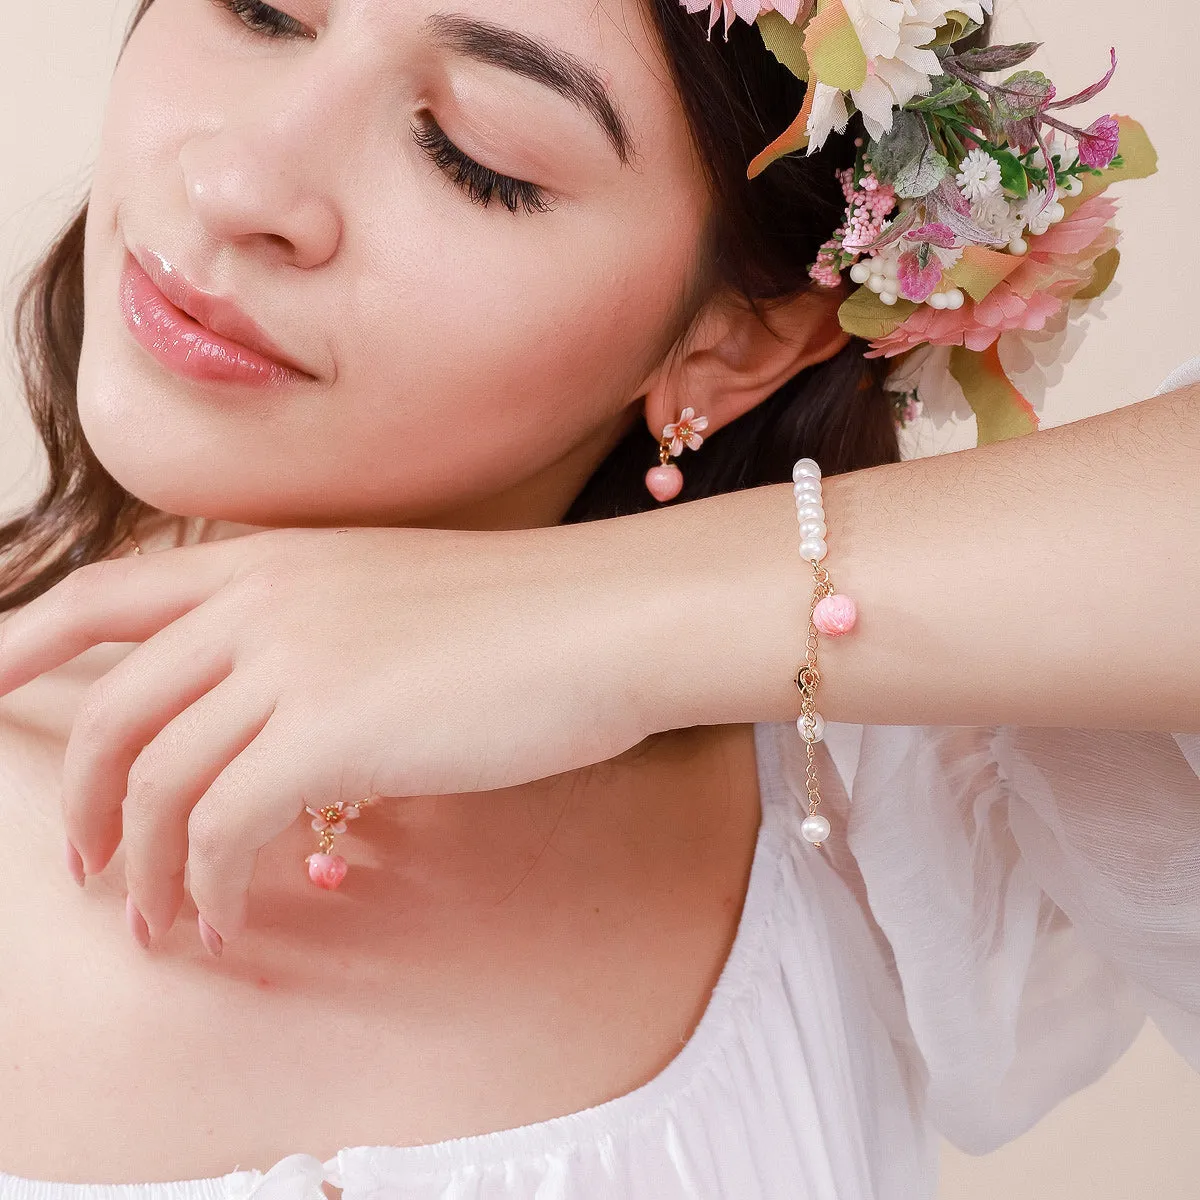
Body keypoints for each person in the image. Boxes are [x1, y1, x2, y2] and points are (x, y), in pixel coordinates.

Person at [0, 1, 1196, 1198]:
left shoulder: (878, 797)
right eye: (259, 8)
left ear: (738, 341)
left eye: (475, 155)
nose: (234, 180)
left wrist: (584, 626)